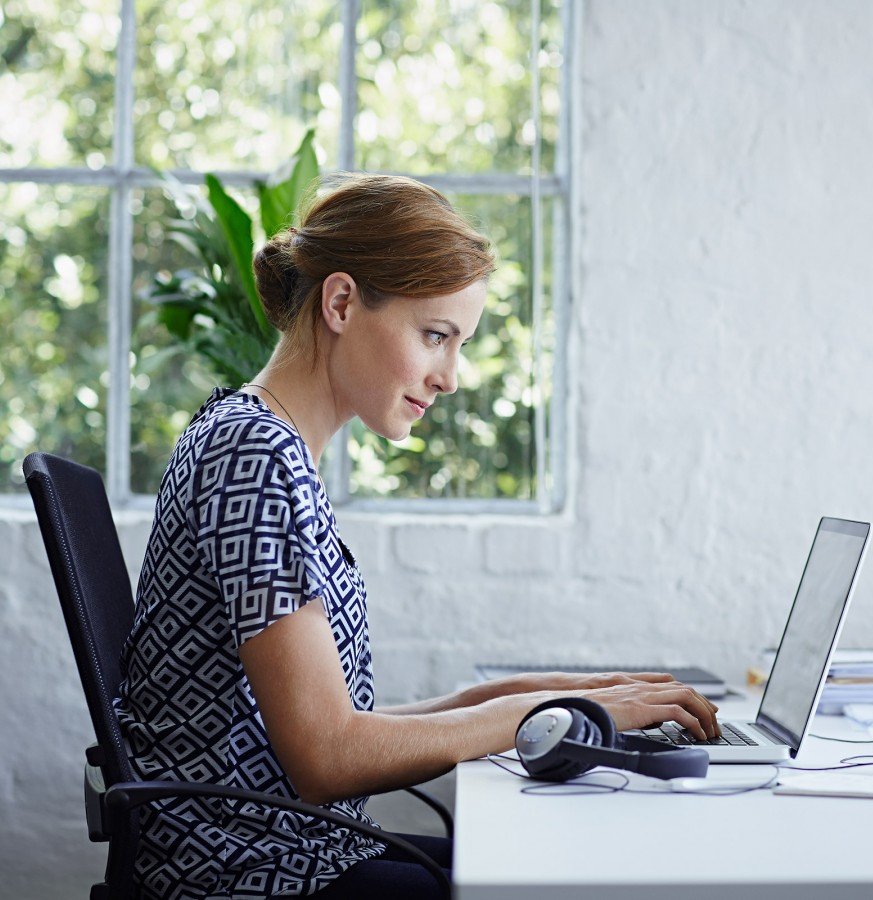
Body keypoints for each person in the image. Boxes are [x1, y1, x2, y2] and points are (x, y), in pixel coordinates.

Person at [114, 173, 720, 900]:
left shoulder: (262, 443)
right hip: (259, 878)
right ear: (341, 303)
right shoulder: (255, 458)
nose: (452, 377)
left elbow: (333, 726)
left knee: (559, 862)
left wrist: (563, 693)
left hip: (295, 853)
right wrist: (534, 713)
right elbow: (328, 757)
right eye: (436, 336)